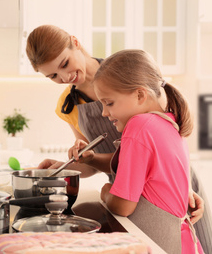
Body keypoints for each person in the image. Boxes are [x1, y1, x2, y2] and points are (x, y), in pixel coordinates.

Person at [26, 25, 212, 253]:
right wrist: (70, 165)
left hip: (170, 186)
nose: (65, 77)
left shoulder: (124, 70)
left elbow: (166, 146)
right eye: (53, 77)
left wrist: (181, 184)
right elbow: (108, 160)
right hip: (128, 189)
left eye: (65, 64)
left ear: (75, 42)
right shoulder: (68, 105)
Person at [73, 49, 202, 253]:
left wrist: (106, 193)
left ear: (140, 94)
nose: (104, 113)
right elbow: (132, 166)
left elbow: (123, 205)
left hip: (161, 244)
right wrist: (91, 158)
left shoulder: (139, 126)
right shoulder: (169, 121)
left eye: (109, 103)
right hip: (184, 243)